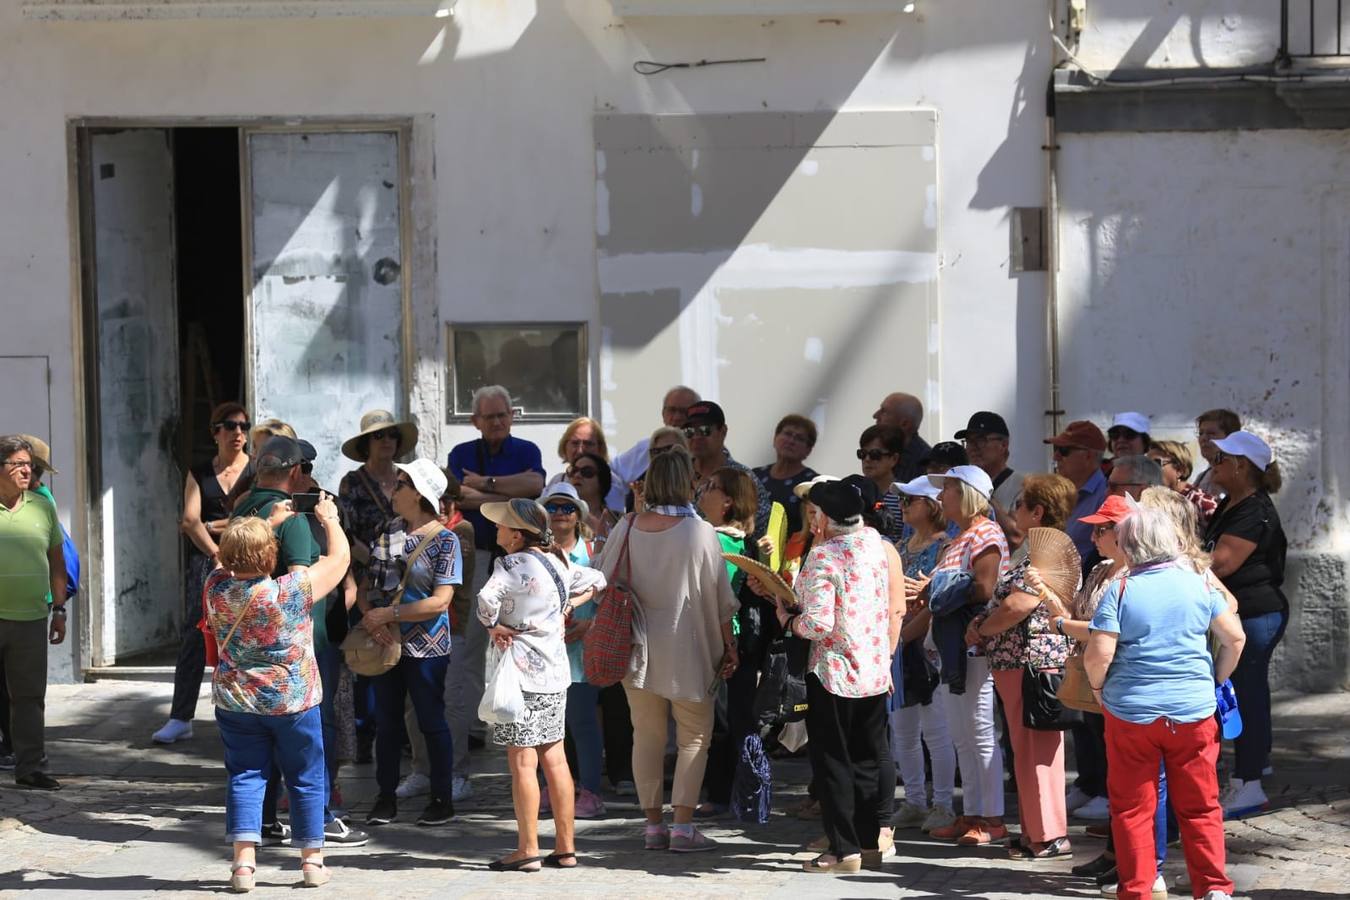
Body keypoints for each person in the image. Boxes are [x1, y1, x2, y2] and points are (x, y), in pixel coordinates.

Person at [1085, 504, 1246, 900]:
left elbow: (1098, 655)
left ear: (1130, 544)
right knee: (1201, 805)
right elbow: (1234, 638)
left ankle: (1138, 888)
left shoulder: (1120, 589)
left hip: (1131, 714)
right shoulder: (1199, 584)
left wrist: (1098, 690)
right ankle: (1213, 888)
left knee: (1132, 809)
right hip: (1192, 712)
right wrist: (1214, 681)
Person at [594, 446, 737, 853]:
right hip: (689, 648)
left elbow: (602, 580)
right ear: (686, 483)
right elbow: (722, 598)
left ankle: (653, 826)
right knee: (694, 737)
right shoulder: (701, 532)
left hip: (635, 647)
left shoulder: (627, 525)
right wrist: (730, 645)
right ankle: (683, 827)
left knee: (648, 736)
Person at [205, 498, 350, 891]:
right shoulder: (291, 590)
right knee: (304, 777)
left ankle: (242, 865)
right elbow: (339, 558)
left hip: (237, 701)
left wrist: (260, 524)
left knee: (245, 776)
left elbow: (225, 559)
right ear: (272, 554)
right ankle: (312, 862)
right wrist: (329, 519)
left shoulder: (216, 588)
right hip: (293, 701)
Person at [773, 479, 903, 873]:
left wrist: (786, 619)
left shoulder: (825, 554)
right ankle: (868, 844)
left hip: (833, 672)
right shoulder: (874, 544)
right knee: (866, 758)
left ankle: (841, 850)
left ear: (825, 517)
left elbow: (817, 622)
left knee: (833, 763)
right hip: (873, 669)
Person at [477, 497, 606, 871]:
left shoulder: (510, 563)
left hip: (519, 673)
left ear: (516, 535)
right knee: (556, 757)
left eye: (502, 525)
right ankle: (566, 848)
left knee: (521, 760)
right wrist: (567, 606)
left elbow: (486, 600)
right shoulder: (560, 560)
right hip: (554, 672)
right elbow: (598, 580)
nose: (497, 530)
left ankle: (527, 848)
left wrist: (494, 626)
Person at [972, 473, 1076, 860]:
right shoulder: (1032, 547)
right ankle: (1036, 832)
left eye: (1019, 504)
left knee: (1039, 749)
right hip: (1016, 660)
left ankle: (1051, 835)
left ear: (1038, 510)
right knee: (1024, 749)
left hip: (1034, 661)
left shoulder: (1049, 550)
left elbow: (1019, 605)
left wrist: (982, 628)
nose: (1013, 510)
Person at [446, 385, 546, 792]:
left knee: (527, 654)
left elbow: (533, 487)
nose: (498, 422)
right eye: (489, 417)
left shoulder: (527, 449)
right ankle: (456, 770)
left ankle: (533, 768)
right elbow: (458, 495)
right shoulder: (459, 455)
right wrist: (507, 489)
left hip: (521, 563)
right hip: (477, 560)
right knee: (467, 656)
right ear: (475, 421)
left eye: (503, 414)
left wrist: (486, 485)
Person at [360, 459, 462, 828]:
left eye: (401, 482)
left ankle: (441, 798)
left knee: (431, 721)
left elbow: (441, 601)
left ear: (418, 493)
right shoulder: (386, 532)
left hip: (427, 648)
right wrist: (372, 619)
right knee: (386, 723)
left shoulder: (446, 539)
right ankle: (384, 797)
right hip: (386, 643)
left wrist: (389, 616)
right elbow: (365, 586)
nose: (394, 487)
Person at [152, 402, 252, 746]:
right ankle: (181, 717)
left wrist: (215, 526)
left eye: (243, 426)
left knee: (248, 636)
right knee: (195, 635)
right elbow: (189, 520)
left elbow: (250, 520)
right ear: (215, 432)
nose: (238, 433)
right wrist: (215, 552)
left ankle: (246, 712)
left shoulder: (254, 471)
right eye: (230, 426)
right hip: (208, 563)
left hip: (251, 560)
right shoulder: (199, 472)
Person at [922, 465, 1010, 846]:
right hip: (954, 646)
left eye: (948, 490)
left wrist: (937, 586)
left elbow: (984, 588)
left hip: (974, 644)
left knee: (979, 731)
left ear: (968, 493)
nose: (941, 498)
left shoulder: (986, 533)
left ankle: (991, 817)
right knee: (962, 733)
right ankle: (973, 811)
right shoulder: (963, 536)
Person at [1202, 431, 1287, 818]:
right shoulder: (1233, 503)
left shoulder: (1254, 510)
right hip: (1243, 613)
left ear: (1242, 466)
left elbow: (1221, 563)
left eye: (1222, 458)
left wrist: (1183, 559)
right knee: (1247, 694)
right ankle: (1252, 768)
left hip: (1254, 614)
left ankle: (1248, 782)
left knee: (1244, 698)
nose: (1214, 462)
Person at [338, 409, 418, 767]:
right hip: (367, 575)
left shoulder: (407, 478)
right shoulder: (352, 482)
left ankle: (400, 737)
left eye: (391, 435)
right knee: (367, 649)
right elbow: (345, 529)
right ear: (366, 443)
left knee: (400, 651)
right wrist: (371, 559)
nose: (386, 441)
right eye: (378, 436)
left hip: (405, 576)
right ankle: (365, 733)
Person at [399, 473, 478, 803]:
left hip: (450, 630)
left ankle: (457, 774)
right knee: (412, 708)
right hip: (409, 632)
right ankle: (422, 770)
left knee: (452, 706)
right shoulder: (407, 530)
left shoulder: (459, 531)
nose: (442, 505)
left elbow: (447, 589)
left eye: (447, 499)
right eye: (436, 498)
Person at [696, 466, 768, 817]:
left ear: (727, 501)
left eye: (709, 486)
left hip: (728, 643)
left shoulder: (719, 541)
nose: (701, 490)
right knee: (738, 720)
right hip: (739, 643)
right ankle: (749, 794)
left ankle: (727, 794)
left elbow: (716, 598)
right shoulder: (743, 541)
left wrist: (728, 646)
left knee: (725, 723)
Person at [535, 482, 607, 820]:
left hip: (582, 653)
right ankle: (550, 786)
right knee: (548, 725)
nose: (560, 514)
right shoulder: (536, 552)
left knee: (582, 723)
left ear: (579, 514)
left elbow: (611, 600)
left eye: (567, 507)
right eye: (552, 507)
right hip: (544, 654)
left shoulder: (594, 552)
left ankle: (590, 791)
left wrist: (589, 626)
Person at [0, 436, 67, 791]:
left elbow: (56, 560)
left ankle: (30, 768)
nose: (28, 470)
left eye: (30, 465)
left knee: (28, 697)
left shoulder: (42, 507)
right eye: (19, 464)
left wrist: (59, 609)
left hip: (29, 618)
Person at [683, 401, 771, 538]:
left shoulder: (742, 477)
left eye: (705, 430)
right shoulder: (677, 475)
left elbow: (762, 530)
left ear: (722, 431)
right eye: (689, 432)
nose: (696, 437)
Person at [610, 385, 700, 489]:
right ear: (663, 414)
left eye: (684, 412)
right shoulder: (646, 448)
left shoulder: (704, 449)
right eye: (672, 410)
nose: (677, 417)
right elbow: (612, 472)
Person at [956, 412, 1025, 543]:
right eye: (969, 442)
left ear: (1004, 445)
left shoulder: (1023, 486)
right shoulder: (961, 488)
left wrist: (984, 495)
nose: (973, 448)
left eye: (981, 440)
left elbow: (1016, 536)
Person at [1046, 420, 1109, 559]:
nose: (1055, 457)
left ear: (1088, 456)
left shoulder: (1105, 498)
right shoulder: (1059, 493)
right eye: (1055, 449)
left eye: (1063, 451)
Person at [752, 414, 820, 537]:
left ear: (808, 450)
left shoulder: (811, 483)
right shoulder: (755, 475)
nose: (791, 441)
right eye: (787, 434)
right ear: (775, 438)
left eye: (799, 438)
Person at [549, 417, 624, 511]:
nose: (580, 451)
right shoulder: (557, 480)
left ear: (600, 448)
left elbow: (615, 521)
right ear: (565, 446)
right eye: (575, 443)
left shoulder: (612, 482)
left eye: (588, 444)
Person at [1146, 439, 1218, 530]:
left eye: (1156, 464)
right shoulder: (1147, 500)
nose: (1148, 470)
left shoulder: (1202, 503)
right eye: (1146, 464)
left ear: (1180, 470)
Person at [857, 425, 907, 544]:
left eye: (875, 455)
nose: (867, 459)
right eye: (862, 454)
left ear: (894, 459)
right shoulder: (853, 491)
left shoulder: (905, 495)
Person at [624, 426, 688, 514]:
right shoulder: (642, 486)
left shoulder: (700, 483)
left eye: (668, 449)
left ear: (683, 449)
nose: (663, 456)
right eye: (656, 451)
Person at [567, 451, 620, 547]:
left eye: (587, 472)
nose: (577, 475)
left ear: (602, 480)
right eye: (574, 471)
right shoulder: (559, 515)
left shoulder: (620, 520)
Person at [873, 392, 929, 482]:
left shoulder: (927, 463)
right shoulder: (880, 451)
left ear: (904, 424)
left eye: (884, 412)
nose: (875, 416)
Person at [1193, 409, 1242, 498]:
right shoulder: (1202, 477)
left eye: (1211, 433)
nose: (1203, 438)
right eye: (1201, 433)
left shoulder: (1238, 475)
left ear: (1230, 438)